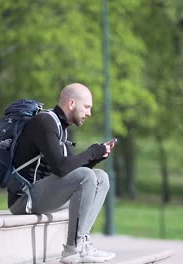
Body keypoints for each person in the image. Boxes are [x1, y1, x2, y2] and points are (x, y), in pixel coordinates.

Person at [8, 83, 116, 263]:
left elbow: (71, 169)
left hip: (43, 193)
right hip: (24, 198)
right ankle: (72, 250)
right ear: (72, 103)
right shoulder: (45, 122)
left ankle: (82, 242)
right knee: (87, 176)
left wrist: (96, 158)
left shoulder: (60, 127)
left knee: (100, 177)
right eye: (87, 107)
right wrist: (92, 152)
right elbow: (61, 168)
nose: (89, 113)